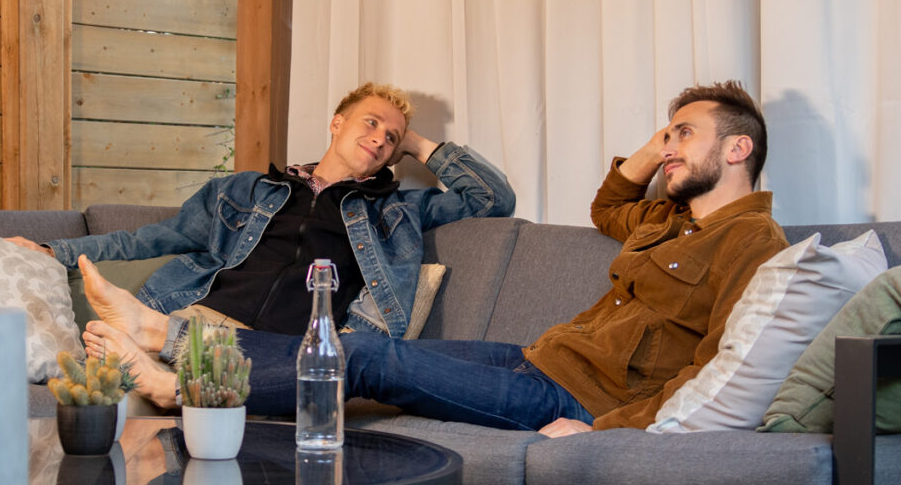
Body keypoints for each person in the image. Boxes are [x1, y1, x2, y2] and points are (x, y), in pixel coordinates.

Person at [225, 80, 790, 435]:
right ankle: (181, 353)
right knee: (367, 352)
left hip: (579, 398)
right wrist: (660, 145)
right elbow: (607, 204)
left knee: (365, 358)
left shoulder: (753, 243)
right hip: (537, 357)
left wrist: (608, 430)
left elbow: (722, 369)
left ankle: (188, 383)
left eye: (684, 135)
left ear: (738, 149)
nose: (669, 149)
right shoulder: (669, 220)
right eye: (669, 137)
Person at [8, 82, 516, 407]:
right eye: (371, 122)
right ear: (336, 122)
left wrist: (418, 144)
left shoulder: (397, 210)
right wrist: (57, 252)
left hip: (289, 353)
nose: (382, 137)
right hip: (203, 317)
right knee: (109, 404)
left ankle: (171, 372)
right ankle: (171, 365)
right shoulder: (245, 189)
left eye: (392, 137)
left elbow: (493, 196)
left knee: (286, 379)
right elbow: (154, 237)